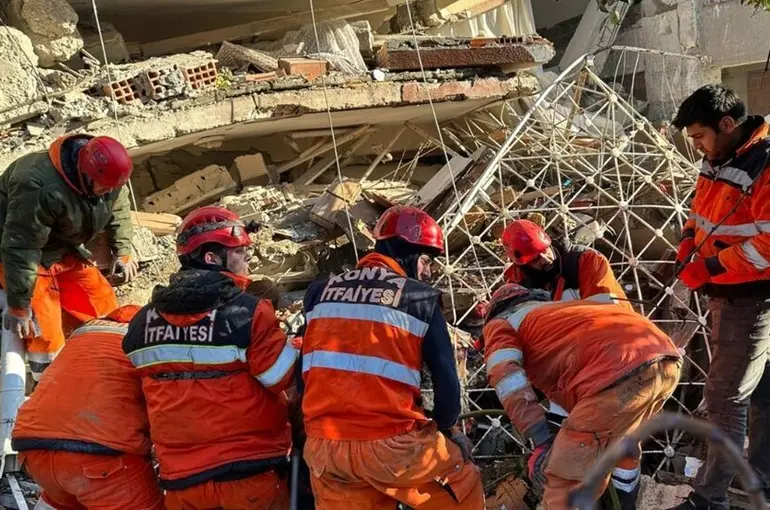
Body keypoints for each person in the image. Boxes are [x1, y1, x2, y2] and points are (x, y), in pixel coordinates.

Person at [300, 205, 484, 509]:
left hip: (325, 449)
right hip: (390, 446)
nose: (428, 272)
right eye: (426, 261)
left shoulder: (319, 294)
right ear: (409, 253)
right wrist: (447, 428)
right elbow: (447, 384)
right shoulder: (419, 298)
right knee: (462, 484)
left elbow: (305, 372)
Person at [122, 206, 297, 510]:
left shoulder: (141, 324)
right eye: (239, 251)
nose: (248, 257)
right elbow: (281, 377)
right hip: (248, 474)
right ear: (212, 258)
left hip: (182, 483)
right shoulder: (248, 313)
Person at [483, 283, 681, 509]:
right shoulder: (562, 310)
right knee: (623, 443)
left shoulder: (500, 323)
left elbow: (507, 377)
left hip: (615, 372)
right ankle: (624, 504)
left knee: (562, 477)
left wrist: (540, 440)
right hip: (665, 358)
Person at [669, 85, 770, 509]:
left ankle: (709, 498)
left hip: (749, 297)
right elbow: (701, 208)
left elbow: (767, 244)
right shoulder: (717, 158)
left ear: (727, 124)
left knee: (725, 398)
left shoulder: (764, 167)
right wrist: (688, 238)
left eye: (699, 136)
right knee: (761, 389)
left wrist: (710, 266)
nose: (697, 146)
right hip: (729, 290)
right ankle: (761, 474)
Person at [0, 134, 137, 380]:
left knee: (103, 306)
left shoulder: (110, 177)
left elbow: (118, 207)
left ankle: (109, 369)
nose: (108, 192)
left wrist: (123, 250)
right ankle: (49, 383)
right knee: (45, 334)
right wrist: (19, 305)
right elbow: (21, 246)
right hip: (16, 252)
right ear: (85, 172)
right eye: (104, 187)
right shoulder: (37, 185)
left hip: (62, 248)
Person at [12, 305, 163, 510]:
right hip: (100, 457)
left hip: (32, 449)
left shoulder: (85, 336)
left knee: (63, 499)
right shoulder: (152, 346)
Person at [501, 219, 633, 312]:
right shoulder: (518, 285)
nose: (545, 259)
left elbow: (607, 310)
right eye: (535, 259)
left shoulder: (585, 260)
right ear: (524, 265)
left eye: (545, 251)